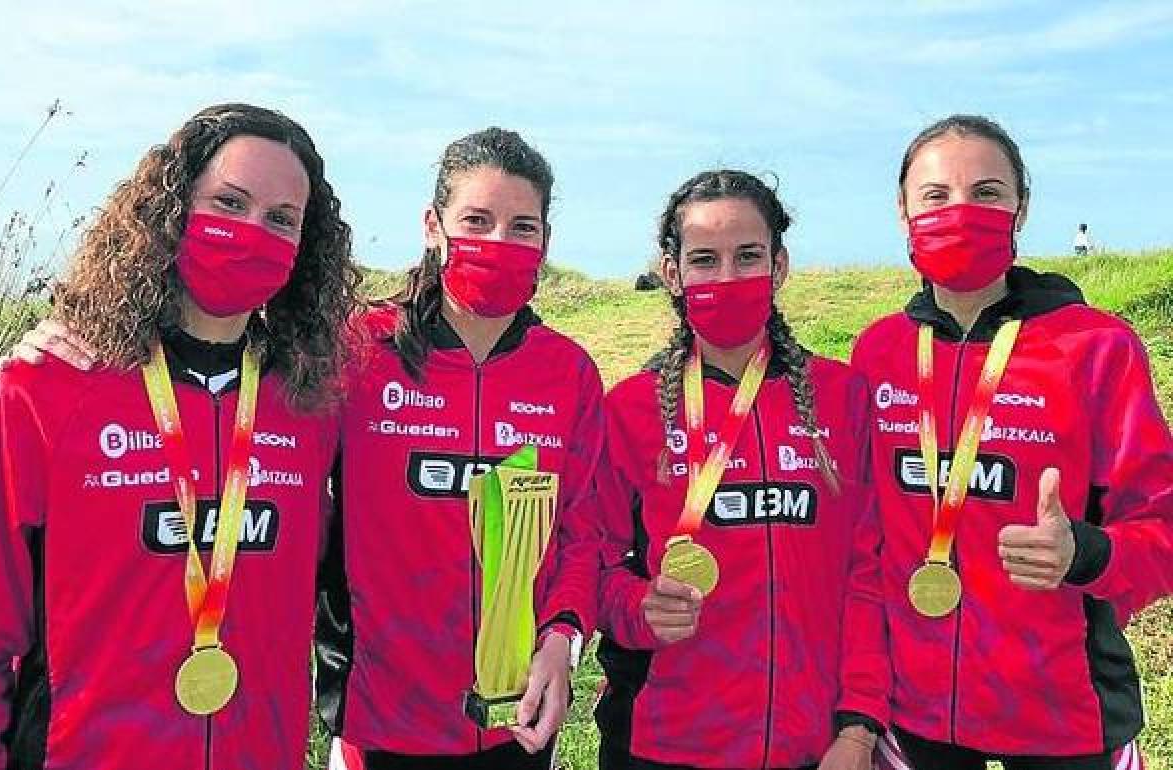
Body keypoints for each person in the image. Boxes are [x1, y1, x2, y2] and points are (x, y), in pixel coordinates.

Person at [0, 104, 362, 769]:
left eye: (281, 220)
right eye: (229, 203)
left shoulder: (311, 403)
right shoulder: (46, 389)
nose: (252, 232)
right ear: (173, 210)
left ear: (306, 248)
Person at [853, 114, 1173, 770]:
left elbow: (1163, 525)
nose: (961, 212)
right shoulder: (877, 352)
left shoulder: (1097, 348)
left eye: (988, 193)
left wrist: (1086, 552)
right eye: (936, 196)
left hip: (1065, 716)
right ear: (902, 211)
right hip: (916, 715)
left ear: (1020, 209)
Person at [310, 126, 604, 769]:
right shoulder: (359, 352)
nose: (498, 242)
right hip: (381, 719)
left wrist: (562, 635)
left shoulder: (569, 374)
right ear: (433, 226)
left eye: (522, 227)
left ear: (545, 242)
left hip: (514, 719)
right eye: (477, 219)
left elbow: (585, 530)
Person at [594, 170, 889, 770]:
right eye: (705, 259)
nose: (727, 277)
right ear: (672, 273)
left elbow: (869, 572)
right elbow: (589, 564)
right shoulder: (629, 408)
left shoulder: (843, 396)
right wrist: (636, 605)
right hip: (660, 746)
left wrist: (858, 726)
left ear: (778, 266)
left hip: (816, 746)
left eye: (747, 256)